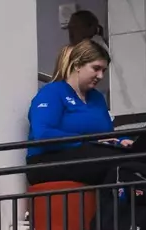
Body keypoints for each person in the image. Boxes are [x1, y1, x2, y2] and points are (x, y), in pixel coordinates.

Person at [25, 39, 124, 185]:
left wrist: (122, 142)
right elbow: (43, 134)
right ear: (77, 65)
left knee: (135, 158)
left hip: (92, 156)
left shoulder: (97, 98)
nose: (101, 76)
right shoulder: (52, 92)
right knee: (109, 160)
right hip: (48, 161)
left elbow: (108, 136)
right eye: (96, 68)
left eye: (103, 70)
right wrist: (89, 141)